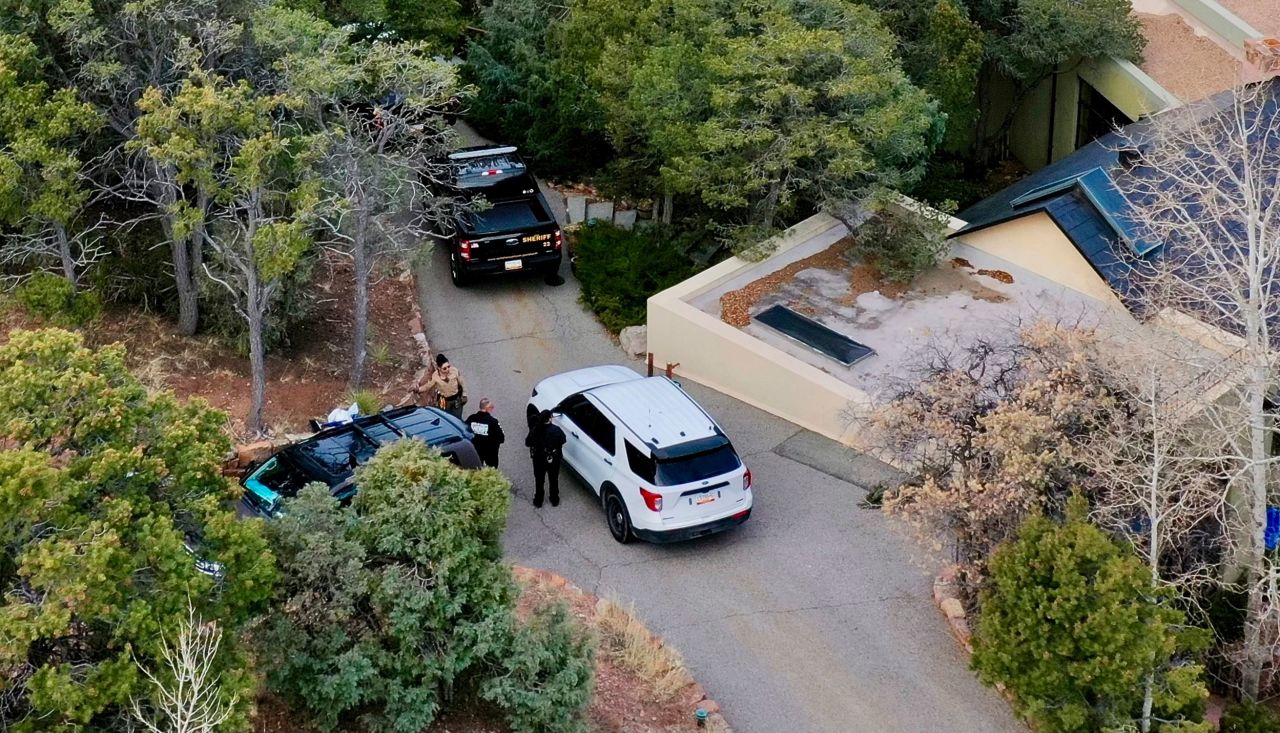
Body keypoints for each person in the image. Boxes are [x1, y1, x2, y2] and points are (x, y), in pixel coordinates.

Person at [525, 409, 566, 508]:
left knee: (539, 480)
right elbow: (563, 440)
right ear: (550, 418)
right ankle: (554, 499)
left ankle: (538, 500)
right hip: (554, 458)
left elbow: (527, 443)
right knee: (554, 479)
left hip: (539, 459)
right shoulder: (556, 430)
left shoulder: (535, 430)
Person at [465, 398, 505, 468]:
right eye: (491, 407)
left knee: (475, 469)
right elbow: (501, 438)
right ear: (487, 408)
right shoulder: (493, 422)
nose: (492, 408)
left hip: (474, 450)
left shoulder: (471, 418)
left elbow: (465, 432)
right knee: (491, 470)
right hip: (490, 451)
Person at [427, 353, 466, 418]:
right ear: (439, 368)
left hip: (456, 399)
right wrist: (418, 389)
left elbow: (462, 383)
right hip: (444, 401)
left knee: (457, 419)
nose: (447, 369)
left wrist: (464, 395)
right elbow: (428, 386)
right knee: (446, 418)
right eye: (444, 368)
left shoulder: (454, 371)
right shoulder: (435, 376)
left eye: (448, 366)